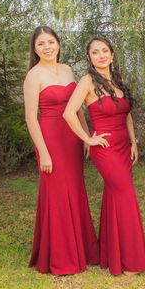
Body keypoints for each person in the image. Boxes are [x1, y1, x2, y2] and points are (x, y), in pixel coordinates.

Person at [63, 37, 145, 276]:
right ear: (89, 57)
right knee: (125, 194)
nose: (100, 55)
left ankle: (112, 254)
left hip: (124, 146)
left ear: (112, 55)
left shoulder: (117, 80)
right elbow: (68, 113)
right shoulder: (87, 81)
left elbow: (127, 114)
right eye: (95, 52)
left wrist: (133, 141)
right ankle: (131, 259)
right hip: (106, 147)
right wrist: (88, 138)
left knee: (115, 196)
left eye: (104, 51)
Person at [23, 26, 99, 275]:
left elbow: (76, 107)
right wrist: (43, 152)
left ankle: (82, 250)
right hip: (50, 138)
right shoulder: (33, 76)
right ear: (35, 49)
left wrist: (86, 137)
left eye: (51, 42)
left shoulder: (67, 70)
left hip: (72, 137)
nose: (47, 47)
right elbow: (31, 118)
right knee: (56, 194)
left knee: (75, 190)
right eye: (41, 44)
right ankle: (61, 256)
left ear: (58, 44)